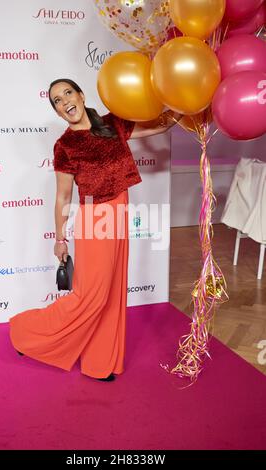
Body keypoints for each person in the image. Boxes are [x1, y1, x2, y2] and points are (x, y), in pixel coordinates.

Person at [9, 79, 180, 382]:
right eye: (57, 101)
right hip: (93, 218)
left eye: (67, 94)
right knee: (91, 296)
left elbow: (159, 127)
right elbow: (63, 197)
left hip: (120, 208)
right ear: (58, 112)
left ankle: (99, 363)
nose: (64, 102)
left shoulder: (110, 124)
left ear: (81, 95)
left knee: (113, 292)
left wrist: (184, 104)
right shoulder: (65, 145)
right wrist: (60, 239)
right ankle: (25, 330)